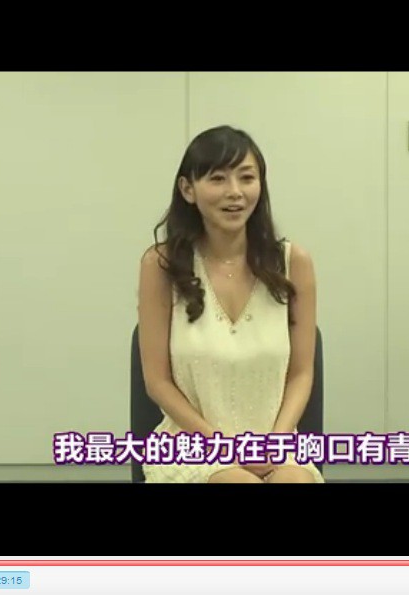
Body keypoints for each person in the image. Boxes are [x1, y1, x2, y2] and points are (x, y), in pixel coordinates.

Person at [137, 125, 324, 483]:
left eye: (246, 178)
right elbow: (157, 381)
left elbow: (302, 372)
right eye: (218, 179)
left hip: (275, 441)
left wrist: (276, 442)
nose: (235, 192)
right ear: (188, 189)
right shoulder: (160, 265)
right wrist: (225, 449)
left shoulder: (294, 263)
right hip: (193, 443)